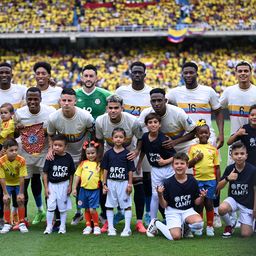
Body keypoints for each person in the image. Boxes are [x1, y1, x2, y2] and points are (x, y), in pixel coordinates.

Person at [95, 94, 144, 233]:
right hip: (109, 154)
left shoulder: (132, 121)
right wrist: (99, 159)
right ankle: (106, 219)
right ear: (106, 108)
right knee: (105, 185)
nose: (113, 111)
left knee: (137, 181)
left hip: (128, 153)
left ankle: (139, 221)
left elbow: (141, 138)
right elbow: (98, 141)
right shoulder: (100, 121)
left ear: (122, 108)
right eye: (110, 108)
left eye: (116, 108)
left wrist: (136, 150)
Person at [47, 88, 94, 225]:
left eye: (69, 100)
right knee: (58, 184)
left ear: (75, 101)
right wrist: (51, 149)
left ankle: (80, 212)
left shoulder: (85, 116)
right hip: (63, 156)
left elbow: (93, 133)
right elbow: (50, 135)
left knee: (83, 185)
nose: (66, 103)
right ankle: (56, 218)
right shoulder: (53, 117)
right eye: (64, 100)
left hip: (82, 156)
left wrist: (88, 152)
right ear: (60, 101)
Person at [116, 61, 152, 227]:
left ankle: (146, 213)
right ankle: (121, 211)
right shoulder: (121, 91)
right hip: (124, 142)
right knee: (121, 177)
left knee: (145, 177)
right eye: (134, 72)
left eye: (140, 72)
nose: (137, 75)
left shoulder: (150, 92)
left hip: (145, 141)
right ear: (130, 74)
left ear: (145, 74)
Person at [76, 64, 111, 226]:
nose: (89, 79)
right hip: (80, 146)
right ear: (81, 78)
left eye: (92, 76)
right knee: (81, 178)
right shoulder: (75, 95)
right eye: (86, 76)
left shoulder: (105, 95)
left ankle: (102, 212)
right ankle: (79, 211)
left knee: (100, 178)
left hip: (100, 144)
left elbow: (117, 107)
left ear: (96, 78)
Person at [15, 87, 56, 225]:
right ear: (26, 100)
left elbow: (54, 132)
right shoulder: (19, 113)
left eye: (35, 99)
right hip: (24, 154)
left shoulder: (50, 112)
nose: (32, 102)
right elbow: (14, 135)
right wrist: (16, 128)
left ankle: (50, 218)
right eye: (29, 99)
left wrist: (52, 148)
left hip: (44, 154)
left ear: (41, 99)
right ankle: (23, 218)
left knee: (48, 186)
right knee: (24, 184)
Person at [146, 153, 206, 240]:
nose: (179, 166)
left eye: (182, 163)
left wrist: (202, 197)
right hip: (172, 211)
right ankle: (156, 223)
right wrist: (160, 195)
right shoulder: (168, 183)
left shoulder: (192, 180)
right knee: (175, 237)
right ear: (172, 166)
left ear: (187, 165)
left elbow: (196, 202)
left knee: (198, 224)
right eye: (176, 163)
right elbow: (164, 205)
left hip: (187, 210)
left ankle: (184, 227)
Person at [167, 61, 224, 149]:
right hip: (184, 139)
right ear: (182, 75)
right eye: (185, 73)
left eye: (191, 72)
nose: (188, 75)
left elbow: (218, 112)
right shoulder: (174, 93)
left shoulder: (208, 91)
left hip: (206, 137)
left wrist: (221, 133)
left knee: (209, 163)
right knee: (183, 163)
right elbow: (162, 105)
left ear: (197, 75)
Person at [137, 113, 176, 220]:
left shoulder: (164, 139)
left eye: (155, 122)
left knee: (170, 194)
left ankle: (173, 219)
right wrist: (139, 162)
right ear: (146, 125)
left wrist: (164, 161)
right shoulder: (145, 137)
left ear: (159, 125)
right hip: (155, 170)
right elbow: (143, 150)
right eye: (150, 122)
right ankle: (153, 221)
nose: (153, 125)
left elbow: (175, 156)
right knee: (155, 196)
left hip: (169, 170)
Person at [139, 88, 196, 154]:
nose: (156, 104)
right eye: (153, 101)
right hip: (162, 148)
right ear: (150, 102)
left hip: (183, 146)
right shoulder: (146, 113)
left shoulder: (178, 112)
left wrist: (175, 142)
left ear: (165, 101)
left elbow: (194, 131)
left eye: (159, 100)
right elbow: (137, 127)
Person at [188, 120, 220, 236]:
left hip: (211, 181)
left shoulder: (213, 149)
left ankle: (210, 226)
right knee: (199, 204)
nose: (204, 135)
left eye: (206, 133)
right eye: (201, 133)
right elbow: (188, 165)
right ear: (197, 135)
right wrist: (196, 159)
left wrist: (218, 182)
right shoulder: (192, 148)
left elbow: (217, 167)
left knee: (209, 202)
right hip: (197, 181)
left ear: (209, 134)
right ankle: (199, 226)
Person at [220, 60, 256, 165]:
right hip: (235, 139)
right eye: (240, 71)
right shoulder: (229, 91)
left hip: (253, 140)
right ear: (235, 73)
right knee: (233, 174)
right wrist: (221, 132)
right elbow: (218, 109)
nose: (243, 73)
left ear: (251, 72)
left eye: (246, 71)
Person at [217, 142, 256, 238]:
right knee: (221, 209)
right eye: (236, 154)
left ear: (246, 155)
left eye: (242, 154)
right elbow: (218, 187)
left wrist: (255, 208)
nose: (239, 156)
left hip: (248, 203)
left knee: (246, 234)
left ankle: (251, 221)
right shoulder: (230, 169)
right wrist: (227, 178)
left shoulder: (252, 170)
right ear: (231, 156)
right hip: (234, 199)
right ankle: (230, 225)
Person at [101, 128, 134, 237]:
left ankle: (127, 228)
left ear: (124, 139)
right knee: (110, 205)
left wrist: (130, 184)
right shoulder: (108, 154)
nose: (118, 139)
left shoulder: (127, 154)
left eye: (121, 137)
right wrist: (104, 184)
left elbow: (130, 170)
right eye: (116, 137)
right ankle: (111, 228)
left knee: (127, 205)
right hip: (111, 183)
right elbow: (105, 169)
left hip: (123, 183)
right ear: (112, 139)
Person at [43, 134, 75, 234]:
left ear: (65, 147)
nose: (57, 147)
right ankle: (49, 227)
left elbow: (71, 173)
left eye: (60, 145)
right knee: (50, 207)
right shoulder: (50, 157)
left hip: (64, 185)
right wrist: (46, 187)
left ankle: (62, 226)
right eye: (55, 145)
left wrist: (70, 185)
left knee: (62, 208)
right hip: (52, 185)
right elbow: (45, 173)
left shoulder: (68, 157)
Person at [73, 140, 102, 235]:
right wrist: (74, 188)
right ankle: (88, 225)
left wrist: (105, 186)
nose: (90, 155)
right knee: (86, 208)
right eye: (88, 153)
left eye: (93, 153)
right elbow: (77, 175)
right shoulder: (82, 164)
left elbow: (102, 178)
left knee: (92, 209)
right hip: (83, 190)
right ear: (85, 154)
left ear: (97, 153)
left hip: (94, 190)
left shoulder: (99, 164)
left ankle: (96, 226)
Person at [0, 139, 28, 234]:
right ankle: (7, 223)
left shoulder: (21, 160)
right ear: (5, 150)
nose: (14, 152)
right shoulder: (1, 161)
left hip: (17, 183)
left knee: (20, 201)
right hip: (7, 184)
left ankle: (21, 223)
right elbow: (2, 178)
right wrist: (5, 193)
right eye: (11, 150)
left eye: (16, 150)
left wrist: (21, 193)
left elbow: (22, 177)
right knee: (6, 201)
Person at [0, 103, 15, 228]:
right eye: (1, 113)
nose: (3, 115)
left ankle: (10, 218)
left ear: (11, 114)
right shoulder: (3, 123)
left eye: (5, 113)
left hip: (7, 151)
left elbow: (2, 135)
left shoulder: (10, 124)